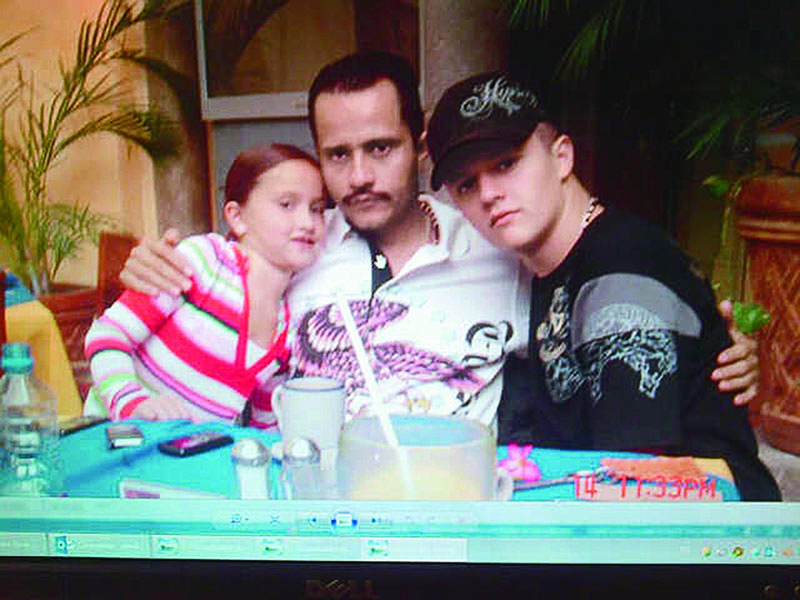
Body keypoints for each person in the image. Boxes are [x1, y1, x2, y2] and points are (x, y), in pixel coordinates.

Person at [118, 52, 759, 434]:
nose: (360, 176)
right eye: (338, 155)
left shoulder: (495, 243)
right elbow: (186, 307)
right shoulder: (291, 250)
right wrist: (152, 270)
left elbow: (598, 301)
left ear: (418, 144)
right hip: (313, 524)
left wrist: (713, 350)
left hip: (453, 532)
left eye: (380, 148)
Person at [425, 72, 779, 500]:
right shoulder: (543, 267)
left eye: (506, 163)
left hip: (707, 522)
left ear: (562, 157)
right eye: (467, 184)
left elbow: (632, 486)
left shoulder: (620, 269)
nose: (488, 193)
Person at [84, 144, 326, 427]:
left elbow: (264, 424)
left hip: (184, 452)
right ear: (237, 217)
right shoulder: (204, 261)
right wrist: (132, 403)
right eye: (286, 204)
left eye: (317, 209)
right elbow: (107, 335)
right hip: (114, 436)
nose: (308, 222)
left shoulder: (287, 327)